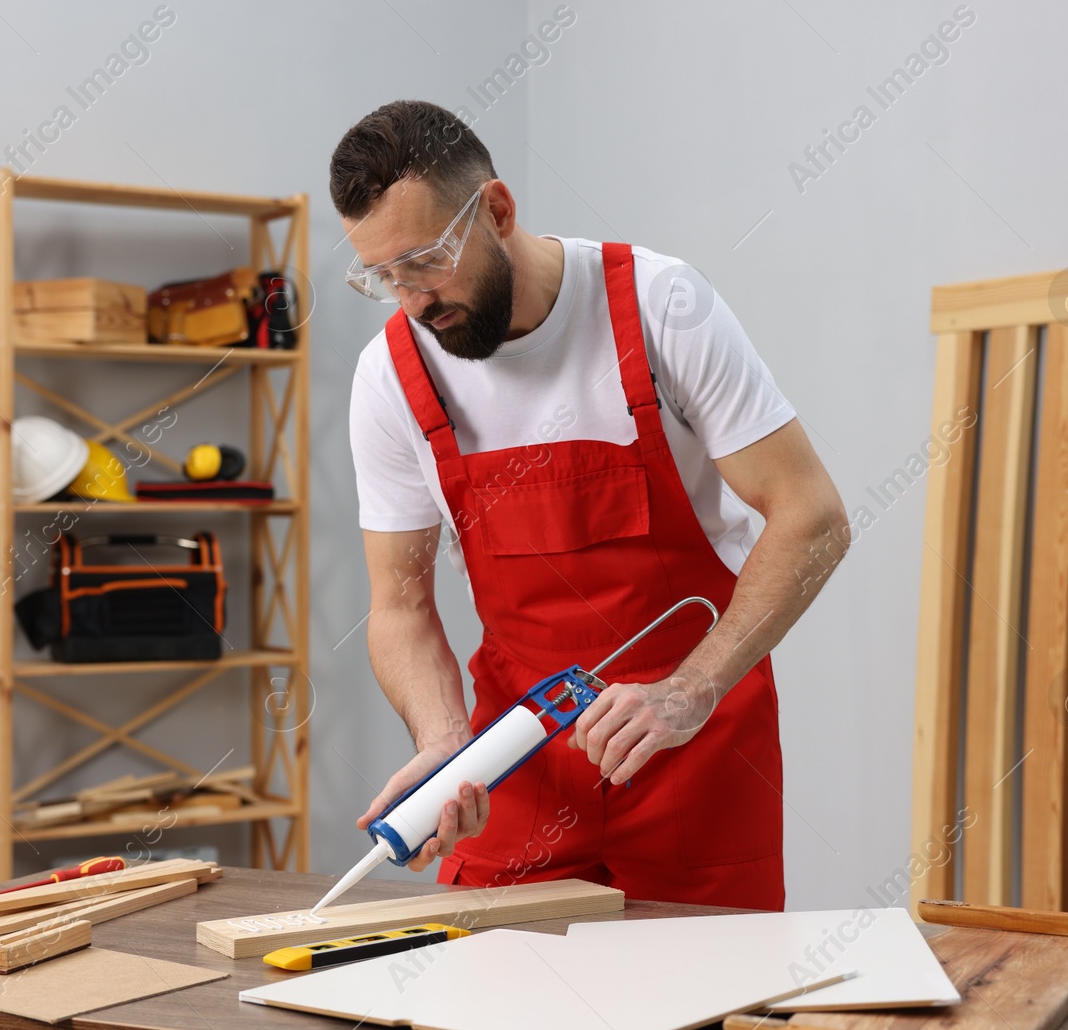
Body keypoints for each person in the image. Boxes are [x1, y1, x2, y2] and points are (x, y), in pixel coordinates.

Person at [330, 99, 848, 909]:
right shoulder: (391, 374)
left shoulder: (660, 307)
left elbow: (812, 515)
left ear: (497, 210)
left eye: (426, 260)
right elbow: (398, 606)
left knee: (705, 1007)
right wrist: (443, 743)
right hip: (518, 770)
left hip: (695, 755)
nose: (414, 302)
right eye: (383, 277)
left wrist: (691, 690)